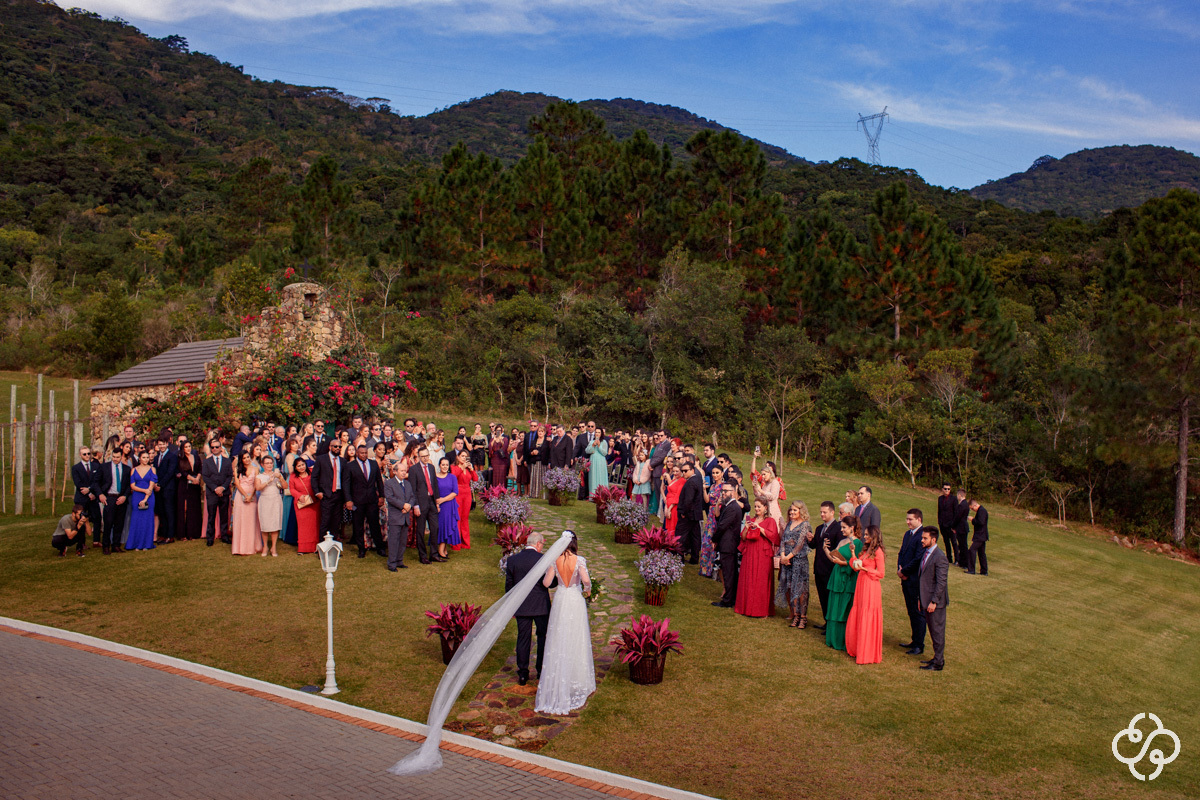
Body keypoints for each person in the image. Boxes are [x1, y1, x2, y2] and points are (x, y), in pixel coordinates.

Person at [535, 535, 595, 715]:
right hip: (575, 600)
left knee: (558, 636)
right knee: (577, 636)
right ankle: (577, 678)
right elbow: (585, 579)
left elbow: (546, 583)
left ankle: (559, 676)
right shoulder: (579, 560)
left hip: (561, 599)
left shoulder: (555, 560)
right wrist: (588, 588)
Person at [505, 531, 555, 686]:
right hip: (541, 606)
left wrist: (511, 607)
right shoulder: (543, 559)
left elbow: (509, 586)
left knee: (523, 638)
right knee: (543, 637)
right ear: (538, 543)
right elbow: (551, 583)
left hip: (521, 606)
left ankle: (523, 673)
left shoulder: (513, 560)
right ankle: (541, 670)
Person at [845, 525, 885, 665]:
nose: (865, 537)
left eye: (868, 535)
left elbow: (881, 573)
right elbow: (856, 565)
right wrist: (853, 553)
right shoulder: (866, 550)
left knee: (867, 615)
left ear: (874, 536)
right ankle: (857, 647)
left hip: (871, 586)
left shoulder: (878, 552)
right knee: (859, 612)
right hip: (861, 584)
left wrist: (866, 569)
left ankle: (867, 651)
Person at [823, 515, 863, 651]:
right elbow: (834, 559)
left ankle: (842, 640)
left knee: (843, 609)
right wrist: (826, 550)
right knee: (833, 607)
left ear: (852, 528)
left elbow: (856, 563)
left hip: (848, 578)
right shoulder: (842, 541)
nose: (842, 530)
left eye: (844, 528)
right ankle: (831, 638)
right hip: (837, 576)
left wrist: (843, 563)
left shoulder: (858, 544)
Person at [735, 499, 780, 618]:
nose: (757, 509)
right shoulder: (751, 520)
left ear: (766, 507)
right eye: (755, 507)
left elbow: (773, 536)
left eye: (759, 506)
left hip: (763, 554)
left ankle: (761, 610)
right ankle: (746, 607)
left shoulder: (770, 521)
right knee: (748, 579)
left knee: (761, 581)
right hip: (750, 552)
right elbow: (743, 538)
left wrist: (759, 528)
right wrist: (746, 527)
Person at [897, 508, 928, 655]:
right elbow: (901, 553)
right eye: (907, 519)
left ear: (919, 520)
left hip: (915, 580)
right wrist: (899, 568)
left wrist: (904, 571)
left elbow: (918, 559)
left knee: (917, 612)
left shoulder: (922, 536)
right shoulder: (907, 534)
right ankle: (914, 640)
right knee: (910, 611)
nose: (908, 522)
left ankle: (919, 645)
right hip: (905, 579)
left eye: (911, 519)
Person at [346, 444, 386, 559]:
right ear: (357, 453)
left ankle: (380, 548)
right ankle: (361, 549)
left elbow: (379, 481)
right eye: (361, 453)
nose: (364, 455)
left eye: (365, 453)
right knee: (358, 526)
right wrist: (348, 500)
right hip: (357, 501)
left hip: (372, 500)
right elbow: (346, 484)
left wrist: (382, 497)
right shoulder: (351, 466)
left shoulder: (373, 464)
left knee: (374, 524)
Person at [918, 526, 949, 670]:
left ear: (933, 539)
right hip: (926, 600)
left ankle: (938, 663)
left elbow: (941, 582)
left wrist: (934, 601)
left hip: (935, 603)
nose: (922, 540)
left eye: (925, 538)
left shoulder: (940, 557)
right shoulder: (927, 553)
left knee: (937, 632)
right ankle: (936, 658)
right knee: (933, 631)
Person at [777, 501, 812, 628]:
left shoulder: (805, 525)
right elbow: (783, 541)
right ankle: (796, 615)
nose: (792, 512)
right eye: (791, 510)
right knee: (791, 587)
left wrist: (787, 557)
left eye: (795, 510)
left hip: (799, 561)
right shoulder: (789, 524)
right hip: (787, 561)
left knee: (801, 589)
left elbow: (800, 545)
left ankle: (803, 617)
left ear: (801, 511)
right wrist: (782, 555)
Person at [711, 483, 743, 608]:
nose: (723, 493)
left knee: (729, 573)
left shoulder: (733, 507)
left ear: (733, 491)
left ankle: (728, 600)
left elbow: (722, 526)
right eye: (722, 491)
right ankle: (730, 598)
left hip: (728, 545)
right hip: (728, 544)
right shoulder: (728, 506)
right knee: (729, 572)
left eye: (726, 491)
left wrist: (714, 539)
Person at [809, 501, 839, 630]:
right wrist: (809, 539)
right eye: (821, 512)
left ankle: (831, 624)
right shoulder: (819, 528)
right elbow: (814, 545)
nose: (822, 514)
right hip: (819, 568)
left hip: (830, 569)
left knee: (830, 598)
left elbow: (838, 550)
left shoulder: (838, 529)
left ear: (832, 512)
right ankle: (826, 621)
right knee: (822, 596)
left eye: (824, 512)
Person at [97, 445, 131, 555]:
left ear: (121, 457)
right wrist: (100, 494)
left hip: (121, 498)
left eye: (117, 457)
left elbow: (128, 485)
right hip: (109, 497)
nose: (115, 459)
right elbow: (96, 482)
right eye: (113, 457)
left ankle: (116, 545)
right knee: (108, 523)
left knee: (119, 523)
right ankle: (106, 545)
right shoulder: (104, 467)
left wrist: (125, 496)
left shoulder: (126, 469)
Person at [311, 440, 346, 545]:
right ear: (330, 447)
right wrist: (317, 492)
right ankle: (322, 546)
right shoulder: (321, 459)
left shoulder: (343, 461)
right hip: (326, 494)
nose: (337, 448)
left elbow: (345, 479)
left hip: (339, 495)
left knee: (336, 522)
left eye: (340, 447)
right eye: (335, 446)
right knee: (325, 521)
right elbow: (314, 477)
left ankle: (334, 547)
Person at [384, 461, 416, 570]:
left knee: (403, 541)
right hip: (396, 517)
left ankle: (399, 560)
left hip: (405, 517)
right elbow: (390, 498)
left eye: (405, 471)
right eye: (402, 471)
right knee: (393, 541)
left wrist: (409, 506)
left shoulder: (407, 483)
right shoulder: (389, 483)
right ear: (395, 471)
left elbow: (412, 497)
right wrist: (403, 505)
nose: (404, 473)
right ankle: (392, 563)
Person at [411, 445, 441, 564]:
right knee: (420, 530)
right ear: (418, 457)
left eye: (427, 456)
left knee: (435, 528)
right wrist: (416, 505)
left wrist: (437, 502)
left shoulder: (432, 467)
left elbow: (435, 485)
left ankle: (434, 554)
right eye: (422, 456)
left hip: (432, 501)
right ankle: (422, 555)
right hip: (421, 503)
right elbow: (413, 489)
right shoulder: (414, 469)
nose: (425, 458)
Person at [202, 440, 233, 547]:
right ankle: (210, 537)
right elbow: (205, 476)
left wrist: (223, 487)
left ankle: (224, 536)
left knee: (224, 515)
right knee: (211, 516)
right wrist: (215, 488)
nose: (214, 449)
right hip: (212, 492)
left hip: (224, 492)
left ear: (221, 448)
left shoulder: (227, 461)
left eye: (216, 447)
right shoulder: (206, 461)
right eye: (212, 447)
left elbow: (229, 476)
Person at [231, 452, 261, 555]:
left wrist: (251, 495)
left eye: (248, 457)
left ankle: (253, 546)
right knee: (241, 519)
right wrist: (245, 495)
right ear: (241, 460)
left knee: (251, 520)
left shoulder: (255, 469)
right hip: (240, 495)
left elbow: (256, 484)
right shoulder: (237, 469)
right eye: (244, 458)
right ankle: (240, 547)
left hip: (252, 495)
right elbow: (237, 484)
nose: (247, 459)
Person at [676, 459, 706, 564]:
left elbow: (688, 500)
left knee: (681, 535)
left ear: (692, 470)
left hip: (688, 514)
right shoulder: (697, 479)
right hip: (695, 514)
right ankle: (694, 558)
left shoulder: (691, 482)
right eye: (682, 471)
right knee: (695, 536)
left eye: (686, 471)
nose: (683, 473)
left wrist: (683, 512)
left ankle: (679, 558)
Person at [255, 455, 286, 557]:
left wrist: (280, 478)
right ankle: (265, 546)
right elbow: (258, 488)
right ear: (263, 465)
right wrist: (268, 480)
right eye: (267, 463)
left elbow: (285, 486)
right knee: (265, 524)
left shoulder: (277, 475)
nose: (269, 465)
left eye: (271, 463)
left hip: (275, 499)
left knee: (275, 523)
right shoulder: (259, 476)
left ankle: (274, 546)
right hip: (264, 500)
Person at [290, 458, 320, 555]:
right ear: (295, 467)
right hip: (302, 504)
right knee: (303, 526)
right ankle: (303, 548)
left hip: (314, 502)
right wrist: (299, 496)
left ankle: (315, 547)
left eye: (303, 464)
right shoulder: (293, 477)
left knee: (315, 525)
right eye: (299, 466)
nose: (301, 467)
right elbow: (292, 489)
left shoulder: (312, 472)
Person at [71, 446, 100, 544]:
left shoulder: (96, 466)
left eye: (88, 453)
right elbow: (78, 483)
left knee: (97, 518)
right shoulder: (76, 468)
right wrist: (88, 492)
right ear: (80, 455)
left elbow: (97, 480)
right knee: (81, 520)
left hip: (93, 497)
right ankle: (81, 543)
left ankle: (96, 540)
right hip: (81, 498)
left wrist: (91, 491)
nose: (87, 456)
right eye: (84, 454)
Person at [152, 439, 178, 544]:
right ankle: (163, 534)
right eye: (160, 444)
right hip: (158, 489)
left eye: (163, 444)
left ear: (167, 444)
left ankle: (170, 536)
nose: (162, 446)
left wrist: (160, 484)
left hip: (168, 488)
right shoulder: (156, 458)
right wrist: (155, 484)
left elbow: (170, 472)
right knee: (161, 512)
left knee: (169, 512)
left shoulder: (172, 457)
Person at [699, 466, 723, 579]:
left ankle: (712, 568)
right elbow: (707, 500)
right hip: (710, 513)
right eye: (713, 473)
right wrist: (704, 489)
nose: (714, 475)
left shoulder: (723, 487)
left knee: (713, 539)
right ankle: (705, 567)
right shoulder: (713, 486)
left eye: (717, 472)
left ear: (722, 474)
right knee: (707, 540)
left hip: (717, 514)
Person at [176, 440, 203, 540]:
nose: (188, 448)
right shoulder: (180, 458)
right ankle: (183, 533)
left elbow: (200, 468)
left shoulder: (196, 457)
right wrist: (192, 479)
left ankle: (194, 532)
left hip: (195, 486)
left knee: (194, 508)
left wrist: (198, 478)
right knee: (184, 508)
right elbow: (182, 472)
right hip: (184, 485)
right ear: (183, 448)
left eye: (189, 446)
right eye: (186, 447)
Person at [434, 456, 460, 559]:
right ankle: (441, 549)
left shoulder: (452, 477)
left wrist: (442, 500)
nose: (445, 467)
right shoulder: (435, 477)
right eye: (443, 465)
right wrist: (437, 503)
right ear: (439, 465)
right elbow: (433, 492)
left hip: (449, 505)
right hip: (439, 506)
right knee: (441, 526)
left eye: (446, 465)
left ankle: (443, 549)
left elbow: (455, 492)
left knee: (448, 526)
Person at [451, 450, 477, 550]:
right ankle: (456, 543)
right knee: (457, 518)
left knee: (465, 518)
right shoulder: (454, 467)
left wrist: (472, 469)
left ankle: (465, 542)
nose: (464, 458)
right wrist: (462, 467)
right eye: (462, 456)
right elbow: (454, 476)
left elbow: (475, 479)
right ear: (457, 457)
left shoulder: (468, 467)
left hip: (467, 494)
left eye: (466, 456)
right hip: (458, 493)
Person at [279, 437, 301, 547]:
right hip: (292, 481)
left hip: (298, 480)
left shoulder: (298, 455)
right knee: (289, 507)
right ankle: (287, 534)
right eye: (293, 444)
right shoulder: (290, 456)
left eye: (296, 443)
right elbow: (292, 471)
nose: (296, 445)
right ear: (289, 446)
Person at [750, 454, 781, 525]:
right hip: (764, 510)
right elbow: (758, 496)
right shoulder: (766, 484)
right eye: (762, 475)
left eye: (764, 474)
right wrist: (755, 487)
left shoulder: (775, 482)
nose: (763, 477)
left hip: (772, 510)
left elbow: (772, 496)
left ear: (770, 473)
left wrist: (760, 490)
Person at [647, 430, 670, 515]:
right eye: (659, 435)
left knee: (661, 492)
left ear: (665, 436)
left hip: (660, 471)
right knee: (657, 491)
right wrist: (650, 465)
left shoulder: (667, 445)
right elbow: (653, 456)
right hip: (655, 471)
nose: (659, 437)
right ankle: (657, 510)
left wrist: (652, 465)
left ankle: (662, 512)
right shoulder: (658, 445)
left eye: (661, 435)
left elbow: (661, 457)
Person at [936, 482, 958, 566]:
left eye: (948, 489)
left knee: (954, 542)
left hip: (951, 525)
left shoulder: (953, 499)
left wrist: (954, 525)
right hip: (943, 524)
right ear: (942, 489)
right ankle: (949, 559)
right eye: (945, 489)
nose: (947, 490)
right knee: (946, 542)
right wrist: (939, 522)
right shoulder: (940, 499)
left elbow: (956, 513)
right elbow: (939, 511)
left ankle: (957, 559)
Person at [966, 499, 989, 575]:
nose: (973, 510)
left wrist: (973, 520)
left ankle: (971, 569)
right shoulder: (981, 511)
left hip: (980, 535)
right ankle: (984, 571)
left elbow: (981, 522)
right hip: (982, 535)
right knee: (981, 553)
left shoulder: (982, 511)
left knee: (972, 550)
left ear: (975, 505)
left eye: (972, 508)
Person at [527, 423, 549, 499]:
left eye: (542, 431)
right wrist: (532, 453)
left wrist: (538, 452)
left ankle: (543, 495)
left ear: (544, 433)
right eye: (539, 431)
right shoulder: (534, 441)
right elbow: (529, 451)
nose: (540, 433)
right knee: (534, 479)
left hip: (542, 462)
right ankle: (534, 494)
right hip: (534, 462)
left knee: (542, 479)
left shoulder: (546, 441)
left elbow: (546, 452)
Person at [662, 464, 684, 536]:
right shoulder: (674, 480)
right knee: (668, 525)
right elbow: (668, 493)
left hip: (674, 507)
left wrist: (669, 509)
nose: (675, 473)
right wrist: (666, 507)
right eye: (674, 471)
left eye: (677, 471)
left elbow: (677, 496)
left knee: (673, 525)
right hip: (668, 503)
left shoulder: (682, 481)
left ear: (681, 471)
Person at [953, 489, 971, 567]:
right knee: (962, 545)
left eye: (957, 495)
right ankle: (962, 561)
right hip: (963, 526)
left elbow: (958, 517)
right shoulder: (966, 504)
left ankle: (965, 563)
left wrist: (953, 526)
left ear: (960, 495)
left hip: (961, 527)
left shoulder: (961, 505)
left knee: (963, 545)